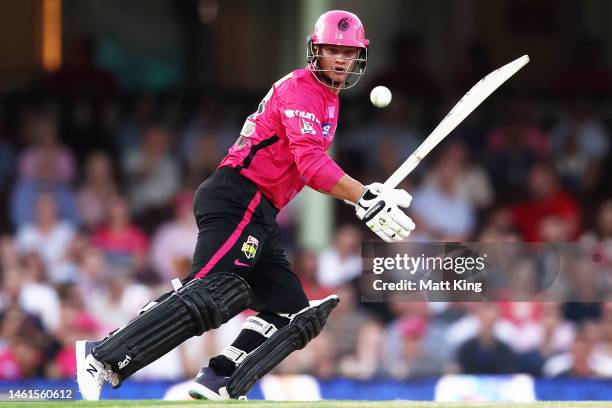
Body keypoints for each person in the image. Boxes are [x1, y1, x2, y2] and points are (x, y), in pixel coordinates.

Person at [76, 10, 415, 401]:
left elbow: (308, 170)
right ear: (315, 51)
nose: (340, 59)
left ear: (359, 58)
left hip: (262, 209)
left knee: (291, 313)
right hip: (238, 195)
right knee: (211, 291)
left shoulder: (329, 101)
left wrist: (369, 193)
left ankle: (219, 378)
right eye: (332, 50)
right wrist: (364, 195)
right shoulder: (302, 90)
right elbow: (310, 164)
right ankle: (101, 357)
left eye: (348, 52)